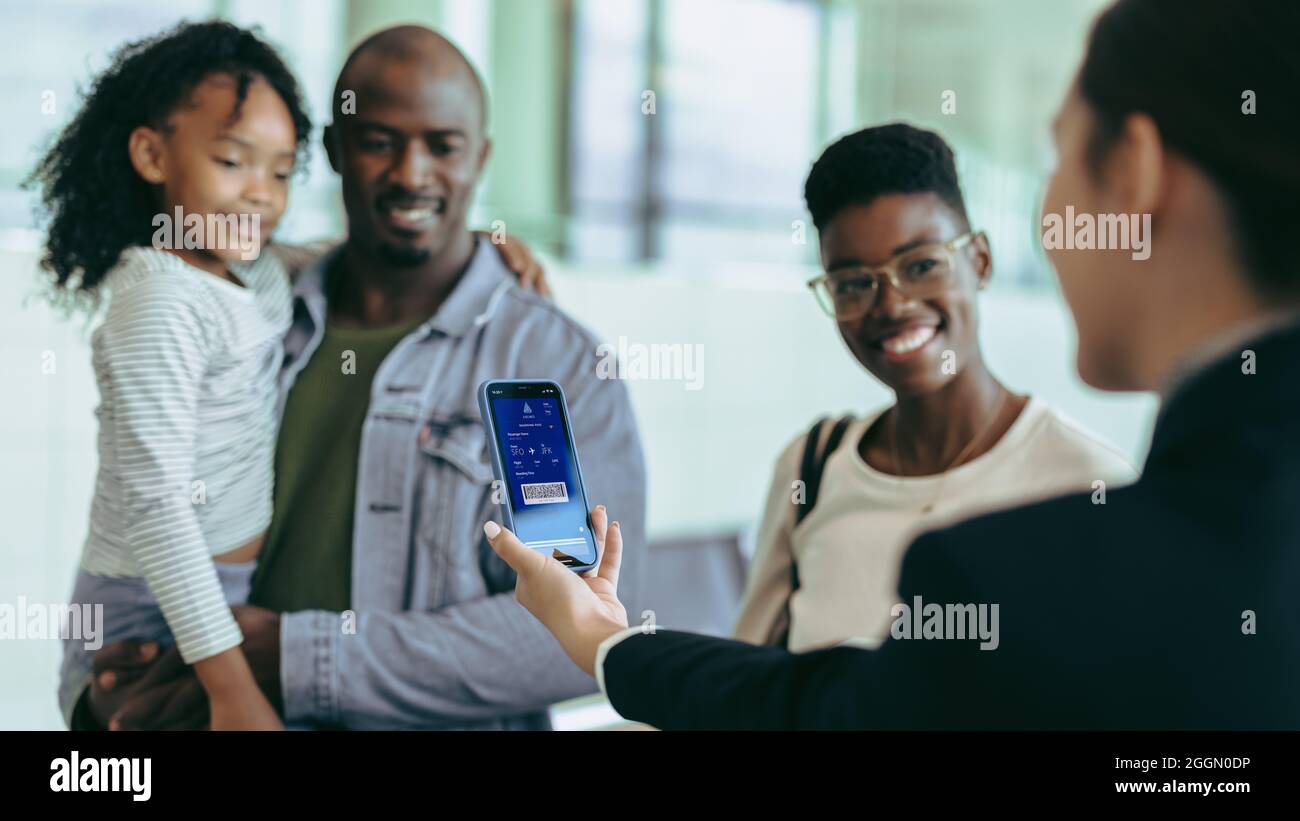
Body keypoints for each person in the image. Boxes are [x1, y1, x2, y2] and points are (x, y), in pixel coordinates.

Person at [484, 0, 1300, 729]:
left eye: (1058, 158)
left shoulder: (1066, 543)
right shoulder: (816, 467)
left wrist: (600, 641)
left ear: (1135, 172)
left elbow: (826, 709)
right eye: (852, 281)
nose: (1051, 219)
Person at [69, 24, 647, 731]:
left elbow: (576, 635)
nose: (411, 173)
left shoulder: (551, 361)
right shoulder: (261, 302)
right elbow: (151, 503)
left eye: (444, 145)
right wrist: (98, 689)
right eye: (378, 141)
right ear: (335, 152)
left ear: (481, 157)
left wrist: (291, 654)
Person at [735, 123, 1135, 653]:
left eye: (922, 265)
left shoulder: (1089, 484)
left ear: (980, 261)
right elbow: (748, 688)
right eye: (854, 283)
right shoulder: (812, 467)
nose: (892, 306)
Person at [28, 20, 316, 730]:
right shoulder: (160, 298)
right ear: (152, 155)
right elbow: (158, 506)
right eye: (232, 161)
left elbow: (338, 259)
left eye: (280, 171)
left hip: (218, 597)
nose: (261, 193)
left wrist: (484, 245)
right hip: (146, 604)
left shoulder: (250, 269)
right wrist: (232, 690)